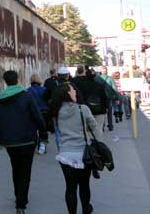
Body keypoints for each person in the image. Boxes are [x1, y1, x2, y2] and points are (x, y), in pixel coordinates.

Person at [0, 70, 47, 214]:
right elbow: (37, 116)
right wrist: (44, 134)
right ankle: (21, 204)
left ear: (5, 81)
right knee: (25, 172)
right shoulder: (26, 96)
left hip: (10, 141)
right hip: (27, 140)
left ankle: (18, 197)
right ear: (17, 80)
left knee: (16, 169)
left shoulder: (0, 99)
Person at [49, 83, 98, 214]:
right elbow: (95, 128)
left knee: (70, 188)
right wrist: (98, 144)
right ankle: (86, 209)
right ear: (67, 94)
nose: (75, 92)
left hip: (65, 154)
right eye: (72, 90)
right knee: (84, 185)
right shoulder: (83, 109)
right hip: (84, 153)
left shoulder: (56, 112)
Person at [72, 66, 108, 139]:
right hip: (99, 110)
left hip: (87, 109)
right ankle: (98, 144)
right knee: (98, 128)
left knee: (86, 128)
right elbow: (104, 98)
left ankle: (90, 143)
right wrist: (106, 108)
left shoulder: (82, 86)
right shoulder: (100, 86)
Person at [28, 74, 48, 154]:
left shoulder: (28, 91)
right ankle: (42, 147)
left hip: (32, 113)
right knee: (43, 130)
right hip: (44, 112)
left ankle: (32, 145)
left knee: (33, 130)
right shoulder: (45, 90)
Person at [96, 66, 118, 131]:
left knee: (102, 112)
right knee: (109, 112)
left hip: (100, 98)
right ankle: (110, 126)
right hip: (108, 98)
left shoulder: (96, 78)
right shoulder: (110, 79)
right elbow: (114, 89)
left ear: (101, 71)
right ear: (106, 71)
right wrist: (116, 98)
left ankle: (102, 126)